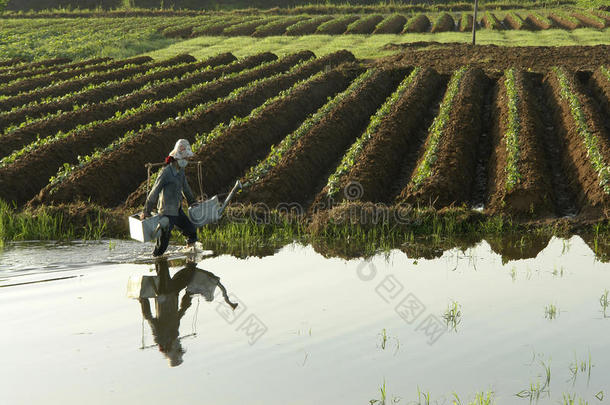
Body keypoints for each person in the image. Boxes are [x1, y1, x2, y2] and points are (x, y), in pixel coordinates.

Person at [137, 258, 238, 367]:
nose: (180, 345)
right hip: (173, 292)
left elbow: (148, 316)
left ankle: (160, 250)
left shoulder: (161, 337)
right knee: (189, 271)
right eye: (180, 348)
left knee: (162, 263)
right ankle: (188, 254)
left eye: (179, 349)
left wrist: (143, 299)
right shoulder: (174, 334)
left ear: (172, 350)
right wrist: (189, 296)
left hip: (164, 292)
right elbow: (180, 313)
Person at [140, 139, 198, 257]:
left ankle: (190, 257)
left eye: (187, 158)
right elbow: (154, 191)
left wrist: (192, 202)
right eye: (185, 158)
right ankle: (156, 259)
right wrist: (146, 211)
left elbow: (185, 188)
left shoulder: (181, 171)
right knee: (163, 244)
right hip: (166, 213)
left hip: (177, 210)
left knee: (191, 232)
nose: (186, 160)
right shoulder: (166, 173)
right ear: (177, 157)